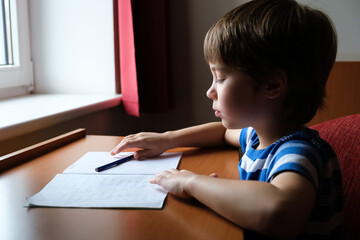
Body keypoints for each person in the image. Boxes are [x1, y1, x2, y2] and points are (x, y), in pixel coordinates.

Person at [111, 0, 343, 239]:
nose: (210, 91)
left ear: (272, 85)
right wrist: (167, 140)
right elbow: (221, 133)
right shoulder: (257, 135)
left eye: (220, 78)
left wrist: (193, 183)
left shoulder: (298, 153)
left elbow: (278, 212)